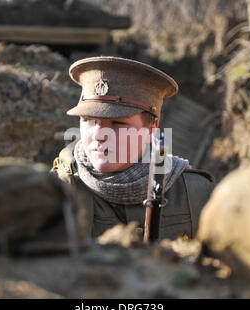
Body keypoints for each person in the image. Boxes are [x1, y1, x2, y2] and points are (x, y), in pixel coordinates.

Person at [52, 56, 214, 240]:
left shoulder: (197, 194)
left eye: (118, 123)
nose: (99, 135)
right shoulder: (55, 194)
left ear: (152, 126)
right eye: (89, 120)